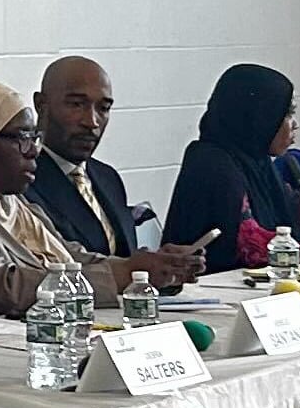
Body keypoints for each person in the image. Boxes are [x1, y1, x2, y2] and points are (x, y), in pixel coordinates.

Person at [0, 78, 204, 317]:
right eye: (20, 138)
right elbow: (3, 287)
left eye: (34, 137)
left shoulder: (8, 201)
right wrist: (122, 276)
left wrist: (147, 269)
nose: (33, 150)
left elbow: (69, 256)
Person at [160, 63, 300, 271]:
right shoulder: (214, 165)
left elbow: (295, 211)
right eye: (286, 114)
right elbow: (254, 248)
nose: (294, 124)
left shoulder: (255, 160)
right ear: (257, 116)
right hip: (212, 287)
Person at [27, 55, 208, 287]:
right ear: (41, 105)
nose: (92, 121)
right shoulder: (22, 180)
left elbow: (123, 261)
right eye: (76, 105)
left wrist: (162, 267)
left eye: (103, 108)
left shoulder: (107, 177)